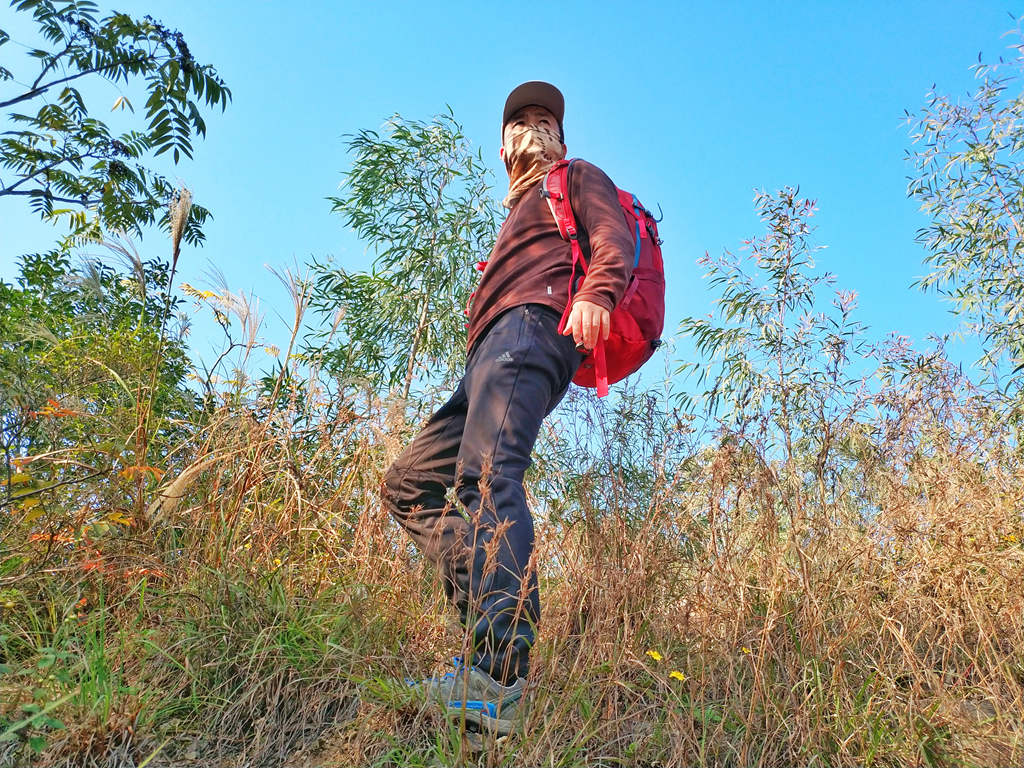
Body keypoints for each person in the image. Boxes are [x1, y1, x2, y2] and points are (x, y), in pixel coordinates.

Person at [381, 81, 634, 736]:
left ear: (561, 140)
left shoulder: (576, 177)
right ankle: (489, 632)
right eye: (520, 120)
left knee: (489, 478)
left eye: (545, 119)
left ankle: (498, 673)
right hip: (490, 355)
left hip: (534, 328)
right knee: (410, 486)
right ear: (501, 149)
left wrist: (600, 293)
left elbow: (614, 235)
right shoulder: (519, 214)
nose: (533, 126)